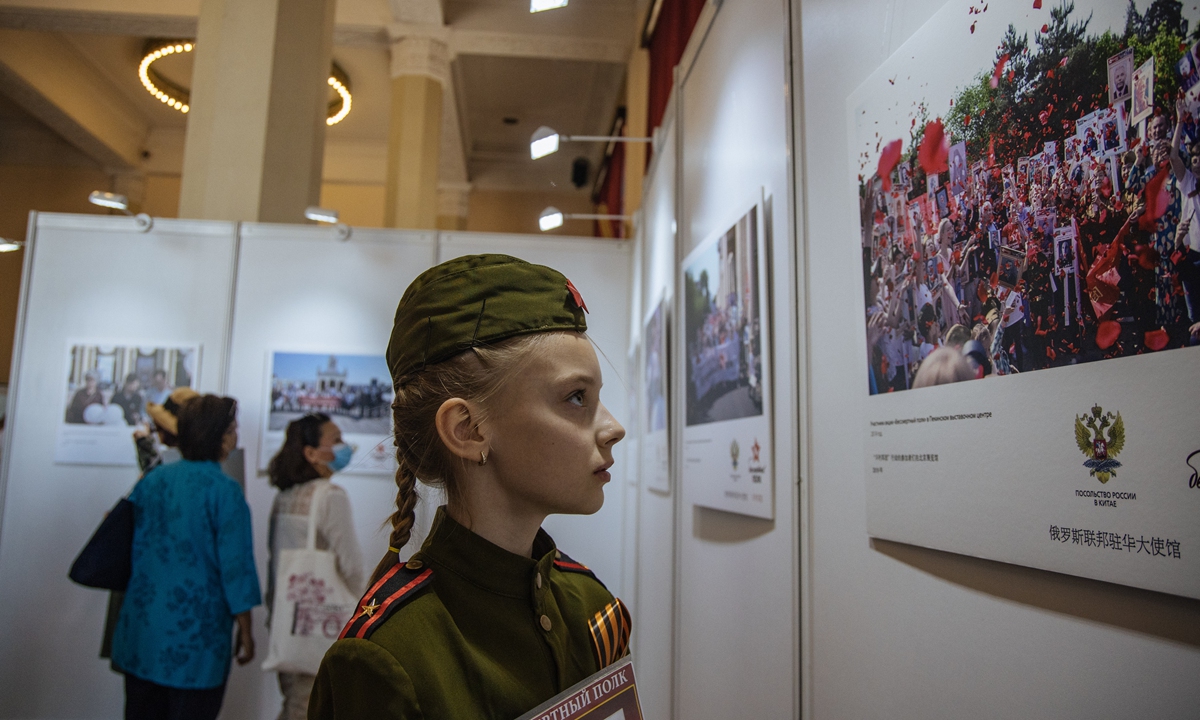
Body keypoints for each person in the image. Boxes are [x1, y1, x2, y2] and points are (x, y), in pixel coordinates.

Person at [309, 254, 628, 719]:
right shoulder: (390, 656)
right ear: (468, 429)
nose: (613, 427)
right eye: (576, 397)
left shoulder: (592, 607)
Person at [110, 394, 260, 720]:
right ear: (218, 436)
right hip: (196, 639)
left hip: (143, 629)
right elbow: (236, 568)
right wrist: (246, 629)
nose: (235, 436)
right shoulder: (225, 491)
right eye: (232, 429)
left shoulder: (153, 481)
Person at [265, 413, 364, 720]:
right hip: (322, 625)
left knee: (296, 702)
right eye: (335, 440)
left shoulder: (285, 496)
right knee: (312, 708)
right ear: (310, 453)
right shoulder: (331, 496)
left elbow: (275, 561)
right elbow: (352, 567)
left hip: (286, 621)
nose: (344, 447)